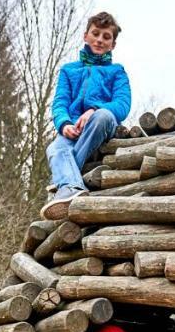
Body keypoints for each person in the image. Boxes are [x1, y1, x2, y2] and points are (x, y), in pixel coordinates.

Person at [41, 11, 132, 220]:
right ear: (85, 36)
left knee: (101, 116)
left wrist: (93, 110)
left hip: (103, 124)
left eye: (106, 36)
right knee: (54, 147)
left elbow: (123, 104)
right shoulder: (68, 70)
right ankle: (72, 187)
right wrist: (64, 124)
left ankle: (63, 180)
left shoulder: (117, 72)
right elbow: (60, 103)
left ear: (113, 44)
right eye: (96, 33)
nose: (99, 40)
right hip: (73, 130)